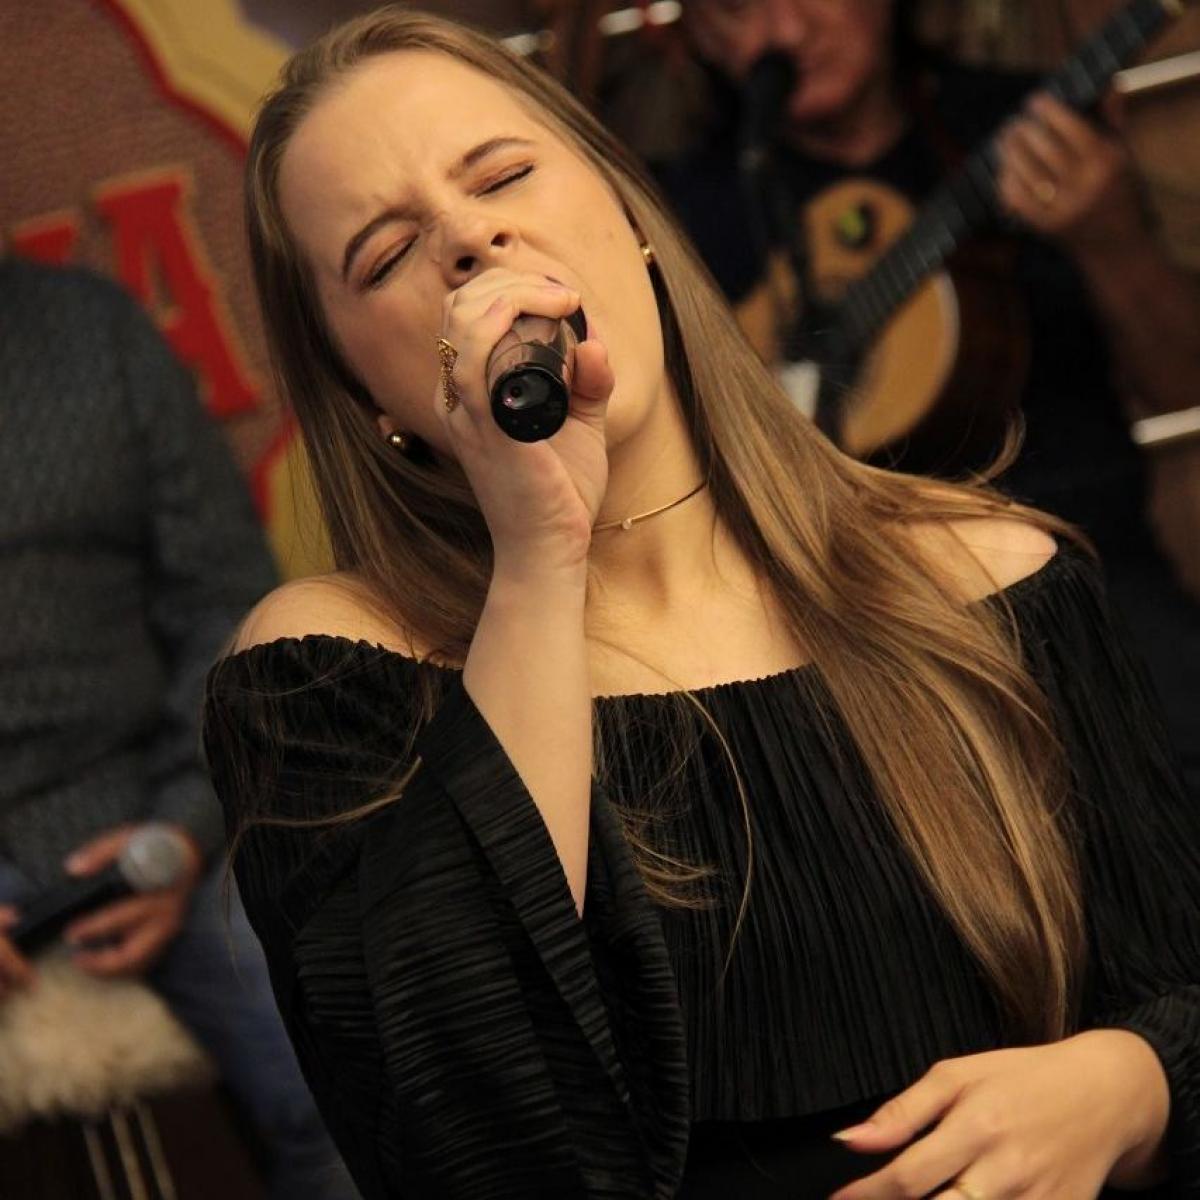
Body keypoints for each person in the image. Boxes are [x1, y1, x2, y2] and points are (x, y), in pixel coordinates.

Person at [202, 8, 1199, 1199]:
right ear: (369, 395)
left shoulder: (989, 579)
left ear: (633, 217)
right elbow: (463, 1132)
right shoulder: (327, 675)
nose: (470, 239)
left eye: (503, 176)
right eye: (384, 256)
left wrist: (1137, 1082)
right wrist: (539, 551)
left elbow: (1179, 990)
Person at [658, 0, 1200, 802]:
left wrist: (1110, 238)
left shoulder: (1027, 124)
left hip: (1094, 579)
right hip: (866, 644)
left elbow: (1184, 381)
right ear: (698, 34)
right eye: (737, 8)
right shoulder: (681, 217)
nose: (785, 32)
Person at [0, 257, 359, 1200]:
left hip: (145, 799)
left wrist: (187, 822)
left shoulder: (93, 330)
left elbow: (223, 601)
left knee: (348, 1085)